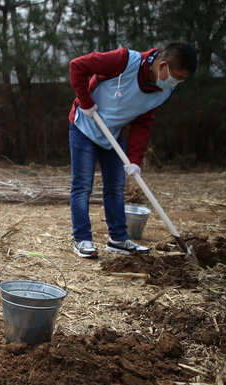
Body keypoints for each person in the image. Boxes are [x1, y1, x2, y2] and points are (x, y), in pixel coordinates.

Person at [68, 43, 197, 258]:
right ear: (163, 65)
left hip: (113, 137)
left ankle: (118, 239)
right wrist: (85, 100)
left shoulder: (164, 92)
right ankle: (82, 239)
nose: (177, 82)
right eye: (177, 76)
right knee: (82, 186)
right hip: (85, 125)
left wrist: (135, 160)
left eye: (182, 79)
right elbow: (77, 66)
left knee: (116, 187)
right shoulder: (125, 60)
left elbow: (142, 124)